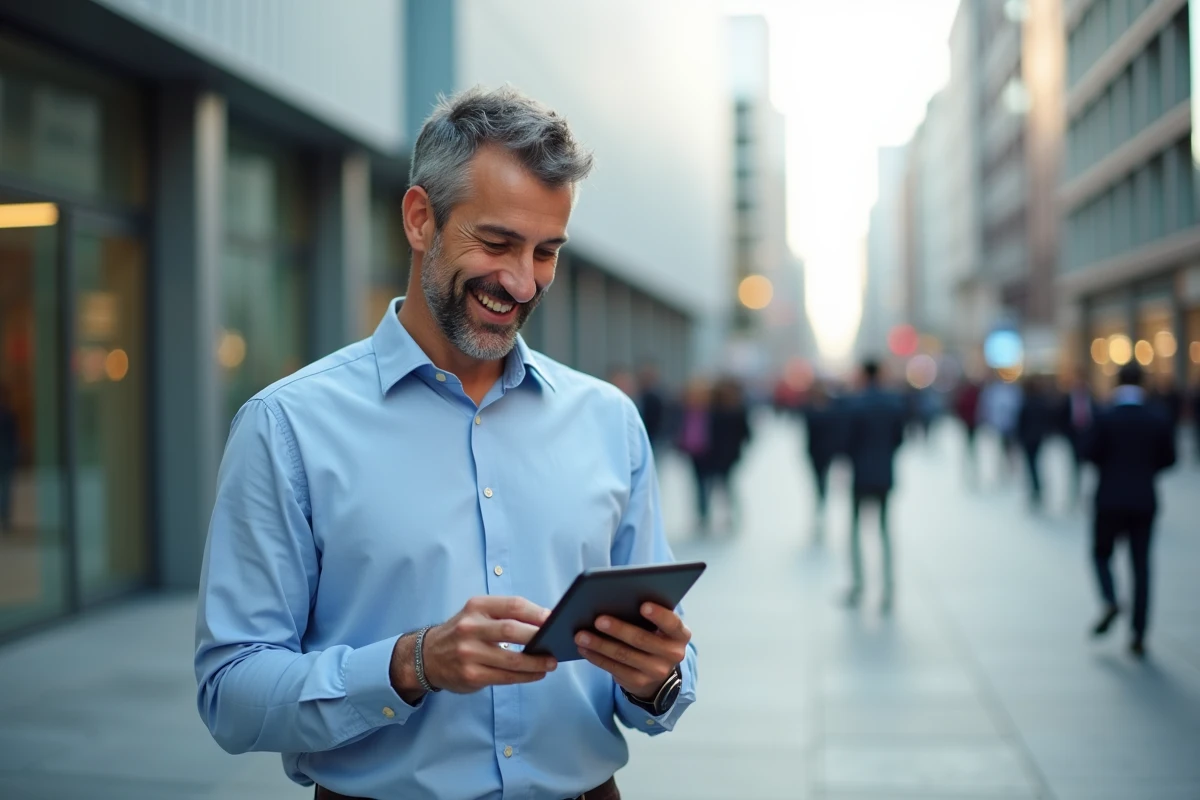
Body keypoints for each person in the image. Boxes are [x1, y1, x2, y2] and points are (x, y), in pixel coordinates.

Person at [194, 87, 696, 800]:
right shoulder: (287, 427)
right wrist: (410, 664)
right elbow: (230, 694)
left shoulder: (609, 421)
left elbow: (666, 671)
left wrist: (657, 678)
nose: (521, 282)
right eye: (496, 243)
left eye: (546, 252)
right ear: (420, 218)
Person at [1084, 363, 1176, 659]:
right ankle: (1138, 633)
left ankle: (1110, 598)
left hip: (1109, 498)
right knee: (1141, 567)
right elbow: (1169, 458)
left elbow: (1089, 452)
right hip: (1143, 500)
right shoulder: (1156, 417)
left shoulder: (1105, 415)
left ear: (1117, 382)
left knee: (1100, 553)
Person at [844, 360, 906, 612]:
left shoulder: (855, 403)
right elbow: (899, 438)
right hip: (884, 473)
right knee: (885, 531)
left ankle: (859, 584)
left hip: (860, 474)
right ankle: (888, 588)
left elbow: (846, 441)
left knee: (856, 530)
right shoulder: (893, 403)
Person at [801, 380, 849, 533]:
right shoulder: (811, 408)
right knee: (818, 479)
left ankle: (822, 500)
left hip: (827, 451)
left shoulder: (832, 408)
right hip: (815, 451)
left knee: (823, 478)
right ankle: (820, 500)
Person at [706, 377, 752, 533]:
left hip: (730, 455)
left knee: (728, 485)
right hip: (712, 454)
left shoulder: (738, 409)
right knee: (711, 485)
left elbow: (747, 433)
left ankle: (731, 514)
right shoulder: (713, 408)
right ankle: (705, 514)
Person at [676, 377, 714, 533]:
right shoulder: (686, 410)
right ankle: (702, 512)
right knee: (697, 483)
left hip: (708, 452)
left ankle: (706, 510)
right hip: (692, 451)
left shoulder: (711, 411)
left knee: (708, 483)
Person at [1016, 376, 1054, 511]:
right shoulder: (1041, 402)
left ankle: (1036, 486)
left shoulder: (1026, 402)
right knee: (1035, 462)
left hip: (1028, 438)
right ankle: (1037, 486)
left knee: (1031, 463)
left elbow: (1020, 422)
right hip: (1037, 438)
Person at [1059, 370, 1096, 504]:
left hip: (1088, 434)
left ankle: (1086, 492)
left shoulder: (1091, 397)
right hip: (1073, 435)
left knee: (1088, 465)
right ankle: (1076, 492)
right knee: (1075, 465)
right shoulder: (1068, 398)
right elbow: (1062, 416)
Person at [0, 384, 16, 534]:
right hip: (6, 457)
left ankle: (5, 518)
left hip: (5, 457)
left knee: (5, 490)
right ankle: (5, 519)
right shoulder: (8, 414)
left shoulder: (8, 415)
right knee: (5, 490)